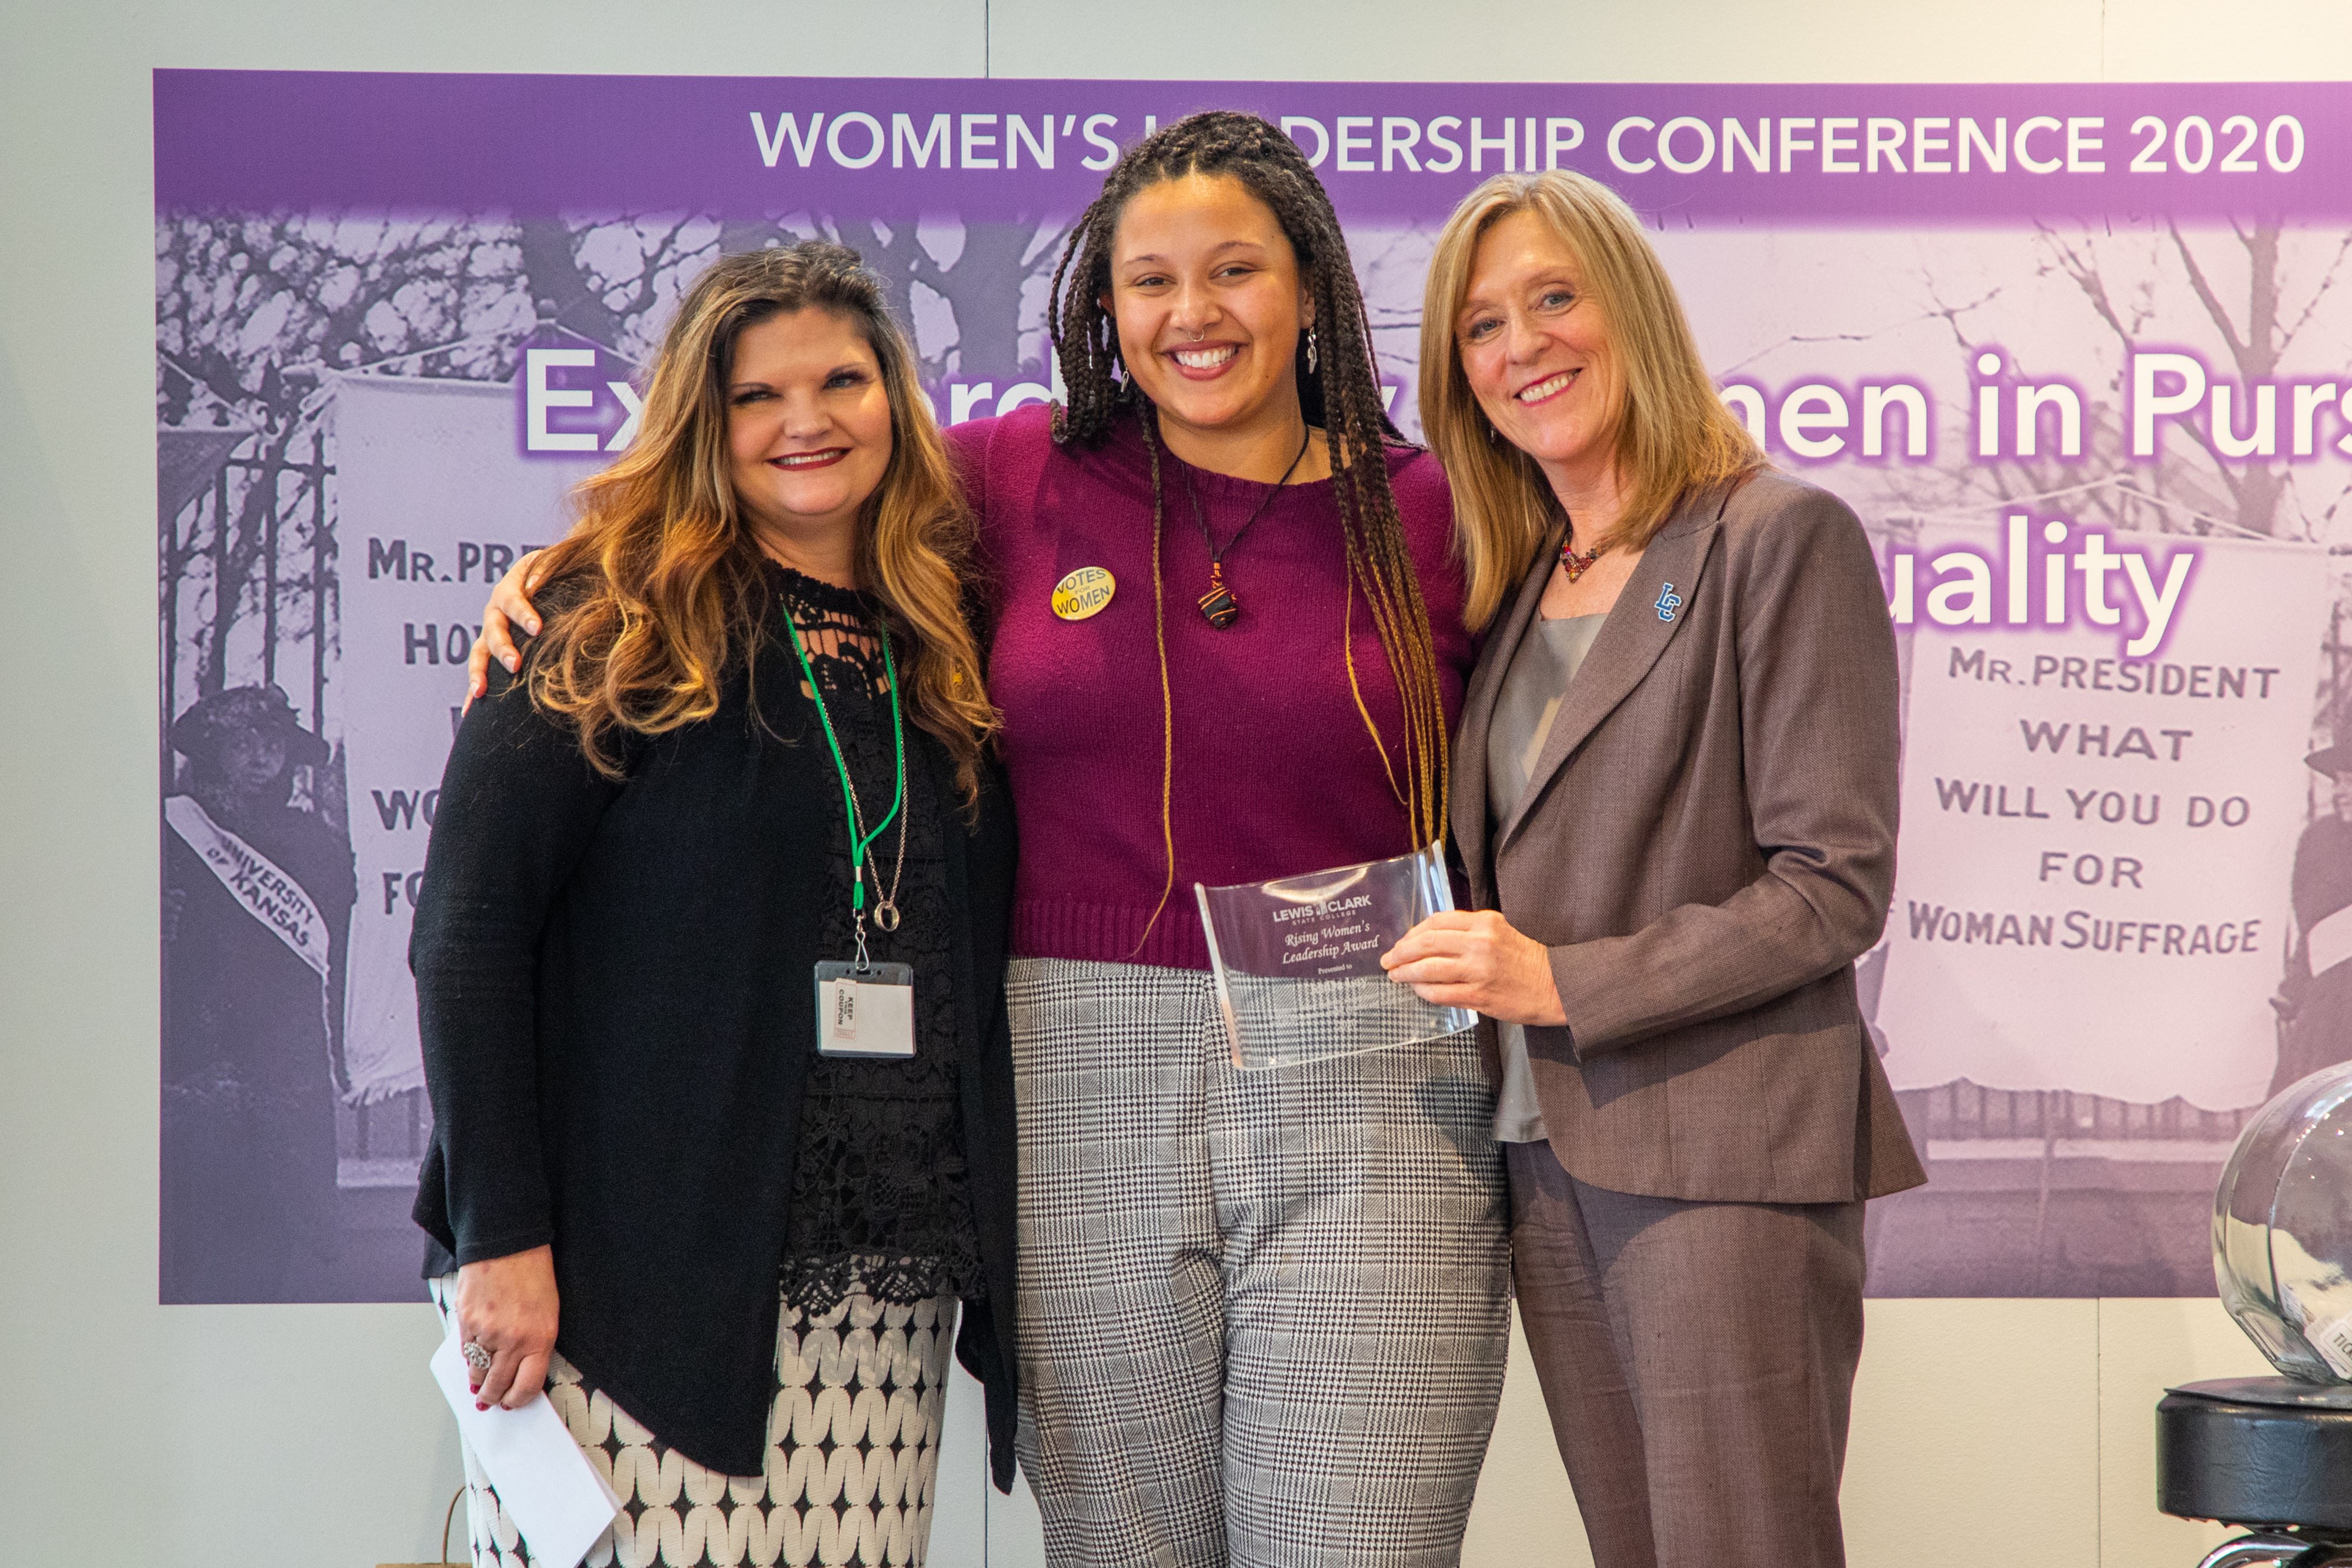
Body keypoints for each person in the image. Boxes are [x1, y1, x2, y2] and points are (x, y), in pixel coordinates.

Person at [472, 112, 1510, 1568]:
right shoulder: (1003, 479)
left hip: (1371, 1070)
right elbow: (776, 486)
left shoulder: (1437, 508)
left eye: (1234, 271)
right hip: (1077, 1062)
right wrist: (569, 574)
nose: (1191, 315)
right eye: (1149, 280)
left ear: (1311, 285)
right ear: (1101, 304)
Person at [412, 241, 1019, 1568]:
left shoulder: (943, 629)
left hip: (877, 1276)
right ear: (701, 419)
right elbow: (466, 934)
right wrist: (498, 1233)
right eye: (756, 395)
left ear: (894, 402)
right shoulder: (604, 617)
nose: (805, 421)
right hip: (625, 1272)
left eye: (843, 380)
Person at [1381, 170, 1927, 1568]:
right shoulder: (1514, 586)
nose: (1523, 347)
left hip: (1718, 1155)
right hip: (1541, 1151)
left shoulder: (1773, 537)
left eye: (1554, 298)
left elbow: (1830, 884)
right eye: (1482, 326)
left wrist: (1561, 980)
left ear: (1630, 309)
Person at [162, 683, 356, 1302]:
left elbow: (341, 937)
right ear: (214, 750)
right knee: (199, 1222)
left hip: (286, 1050)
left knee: (283, 1234)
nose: (258, 755)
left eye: (271, 741)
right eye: (241, 741)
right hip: (201, 1045)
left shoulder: (318, 841)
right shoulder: (173, 830)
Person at [2270, 740, 2352, 1095]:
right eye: (2337, 781)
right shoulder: (2321, 841)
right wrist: (2297, 984)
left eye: (2351, 780)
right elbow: (2309, 925)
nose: (2341, 792)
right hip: (2330, 1007)